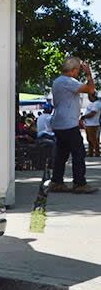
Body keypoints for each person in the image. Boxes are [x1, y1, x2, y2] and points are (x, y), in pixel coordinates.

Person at [49, 57, 97, 193]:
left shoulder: (57, 81)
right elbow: (90, 89)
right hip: (68, 123)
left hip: (59, 122)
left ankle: (56, 181)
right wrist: (88, 74)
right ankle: (79, 183)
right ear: (74, 70)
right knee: (79, 152)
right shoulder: (68, 81)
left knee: (61, 154)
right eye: (78, 70)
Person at [82, 93, 101, 157]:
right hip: (89, 124)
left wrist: (84, 116)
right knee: (89, 139)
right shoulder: (92, 103)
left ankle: (97, 152)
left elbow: (93, 113)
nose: (88, 98)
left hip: (93, 124)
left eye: (89, 96)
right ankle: (90, 152)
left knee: (94, 139)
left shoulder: (97, 103)